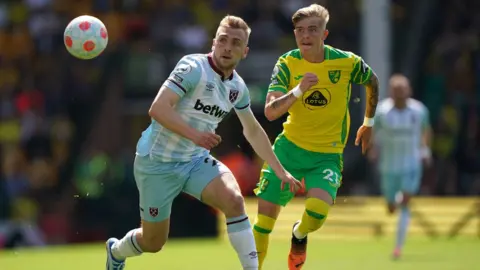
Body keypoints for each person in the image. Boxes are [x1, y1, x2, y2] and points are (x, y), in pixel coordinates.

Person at [105, 15, 302, 270]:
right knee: (153, 242)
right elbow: (158, 109)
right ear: (214, 43)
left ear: (245, 51)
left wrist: (279, 170)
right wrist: (195, 135)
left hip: (194, 160)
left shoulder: (237, 88)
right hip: (157, 163)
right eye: (223, 40)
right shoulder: (193, 68)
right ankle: (116, 251)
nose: (228, 47)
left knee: (234, 200)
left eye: (235, 43)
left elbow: (252, 130)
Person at [251, 4, 380, 269]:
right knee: (263, 224)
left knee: (317, 214)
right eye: (299, 30)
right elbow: (270, 112)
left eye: (312, 29)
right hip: (289, 150)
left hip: (327, 155)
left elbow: (372, 81)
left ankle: (299, 234)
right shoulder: (287, 63)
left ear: (325, 34)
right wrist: (298, 90)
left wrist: (368, 123)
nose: (305, 35)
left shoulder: (346, 62)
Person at [368, 74, 432, 259]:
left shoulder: (419, 110)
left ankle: (398, 247)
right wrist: (372, 149)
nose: (400, 95)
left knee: (405, 201)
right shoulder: (382, 112)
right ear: (391, 93)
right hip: (388, 166)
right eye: (396, 91)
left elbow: (426, 129)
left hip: (411, 165)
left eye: (403, 90)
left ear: (409, 91)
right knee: (391, 207)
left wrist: (425, 149)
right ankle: (393, 201)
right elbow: (372, 130)